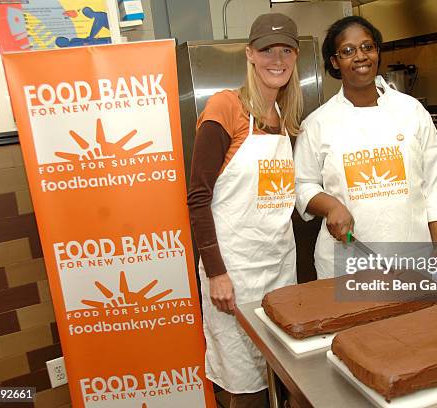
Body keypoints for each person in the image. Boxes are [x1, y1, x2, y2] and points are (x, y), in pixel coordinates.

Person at [187, 13, 302, 408]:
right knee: (245, 390)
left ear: (295, 57)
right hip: (234, 277)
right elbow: (199, 198)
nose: (277, 58)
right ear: (250, 54)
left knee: (281, 378)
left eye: (286, 50)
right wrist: (216, 273)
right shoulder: (226, 108)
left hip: (280, 270)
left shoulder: (285, 118)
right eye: (268, 50)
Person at [294, 16, 437, 279]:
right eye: (348, 51)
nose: (360, 56)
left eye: (367, 47)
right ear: (335, 62)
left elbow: (436, 185)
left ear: (378, 52)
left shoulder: (411, 111)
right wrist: (330, 206)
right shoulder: (317, 124)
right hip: (346, 264)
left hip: (413, 258)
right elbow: (302, 184)